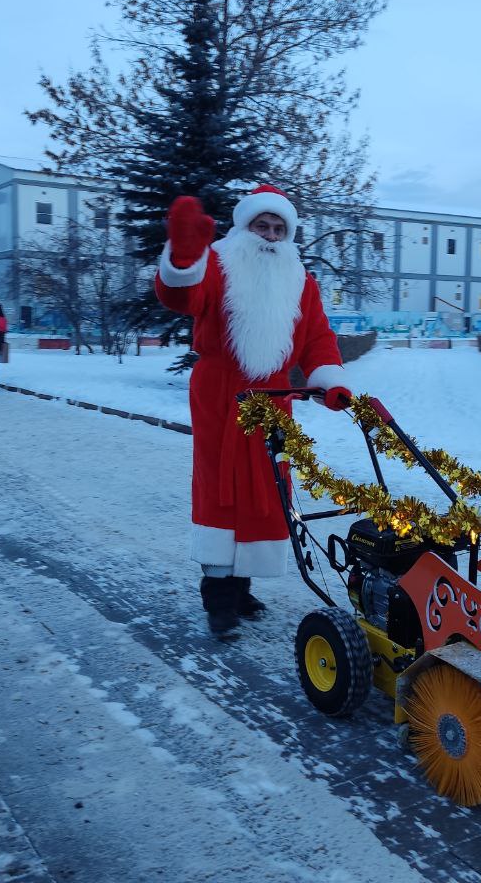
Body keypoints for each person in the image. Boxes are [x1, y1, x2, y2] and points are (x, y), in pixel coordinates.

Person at [156, 186, 353, 638]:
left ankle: (240, 586)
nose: (269, 234)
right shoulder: (220, 265)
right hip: (221, 398)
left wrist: (332, 381)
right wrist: (184, 259)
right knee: (221, 490)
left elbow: (319, 339)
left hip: (273, 400)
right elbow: (181, 296)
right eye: (261, 225)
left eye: (278, 227)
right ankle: (218, 599)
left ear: (289, 234)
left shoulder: (301, 281)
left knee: (264, 492)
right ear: (244, 228)